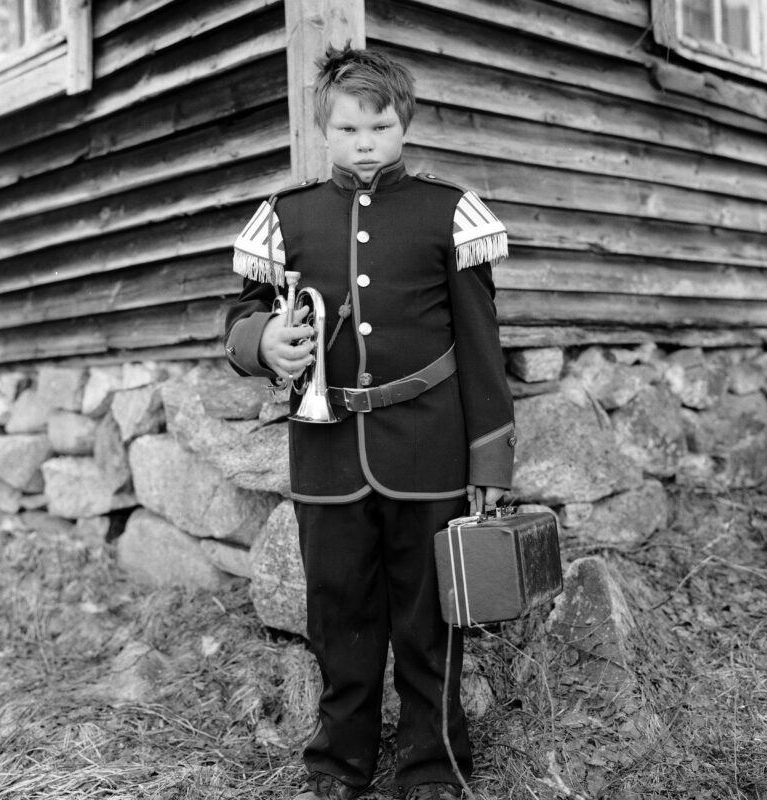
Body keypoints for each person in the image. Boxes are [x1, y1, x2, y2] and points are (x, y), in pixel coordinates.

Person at [224, 43, 515, 800]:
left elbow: (482, 348)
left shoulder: (448, 213)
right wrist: (266, 344)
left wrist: (489, 464)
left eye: (379, 127)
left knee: (430, 619)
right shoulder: (286, 217)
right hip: (325, 453)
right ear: (325, 128)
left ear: (404, 125)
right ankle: (338, 761)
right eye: (349, 129)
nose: (364, 143)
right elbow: (240, 320)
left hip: (428, 450)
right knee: (339, 618)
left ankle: (431, 765)